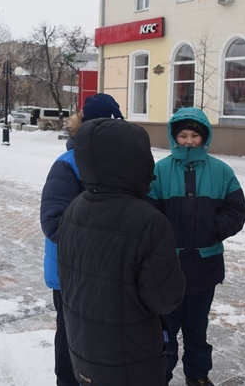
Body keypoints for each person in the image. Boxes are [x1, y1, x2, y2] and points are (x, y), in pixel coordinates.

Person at [57, 117, 186, 386]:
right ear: (134, 161)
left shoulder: (74, 208)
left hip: (83, 352)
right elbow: (165, 299)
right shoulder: (148, 221)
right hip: (131, 362)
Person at [147, 107, 245, 386]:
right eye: (183, 135)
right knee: (164, 329)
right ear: (173, 137)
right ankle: (160, 374)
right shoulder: (160, 170)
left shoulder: (221, 171)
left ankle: (197, 374)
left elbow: (237, 211)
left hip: (205, 266)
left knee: (197, 328)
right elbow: (149, 211)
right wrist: (163, 240)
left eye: (194, 135)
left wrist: (213, 230)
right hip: (167, 269)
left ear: (204, 137)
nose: (189, 141)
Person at [40, 93, 125, 386]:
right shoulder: (67, 165)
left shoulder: (126, 163)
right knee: (71, 340)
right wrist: (105, 242)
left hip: (110, 273)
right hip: (72, 275)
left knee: (103, 341)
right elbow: (54, 222)